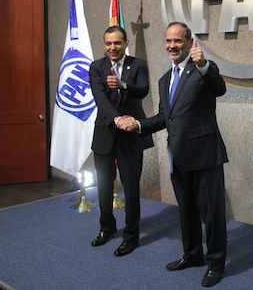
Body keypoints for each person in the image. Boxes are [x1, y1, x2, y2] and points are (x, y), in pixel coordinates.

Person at [117, 22, 228, 287]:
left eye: (178, 41)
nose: (172, 46)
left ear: (189, 43)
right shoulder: (165, 79)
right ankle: (192, 255)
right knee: (186, 211)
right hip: (178, 156)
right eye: (168, 41)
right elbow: (165, 117)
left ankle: (216, 264)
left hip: (205, 155)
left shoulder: (202, 70)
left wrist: (204, 65)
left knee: (211, 213)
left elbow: (220, 88)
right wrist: (139, 124)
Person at [88, 26, 153, 256]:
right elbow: (100, 99)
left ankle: (131, 236)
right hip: (105, 133)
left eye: (117, 43)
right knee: (104, 186)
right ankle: (106, 228)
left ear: (125, 43)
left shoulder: (138, 64)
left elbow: (143, 90)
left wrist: (123, 85)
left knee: (131, 188)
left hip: (131, 136)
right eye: (108, 44)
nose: (112, 48)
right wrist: (116, 118)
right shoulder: (96, 67)